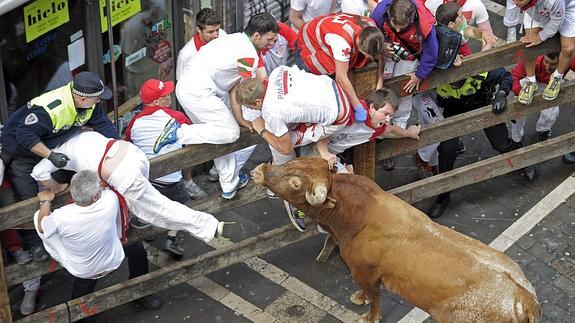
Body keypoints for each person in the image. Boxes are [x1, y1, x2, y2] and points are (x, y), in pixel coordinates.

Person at [30, 131, 229, 244]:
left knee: (160, 208)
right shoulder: (82, 135)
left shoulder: (56, 152)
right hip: (133, 155)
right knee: (149, 208)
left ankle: (208, 226)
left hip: (121, 173)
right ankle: (152, 219)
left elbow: (39, 172)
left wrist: (55, 187)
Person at [174, 13, 278, 199]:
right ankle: (178, 134)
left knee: (220, 135)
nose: (272, 44)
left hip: (192, 89)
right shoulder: (248, 54)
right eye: (269, 40)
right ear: (256, 36)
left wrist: (240, 119)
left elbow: (234, 89)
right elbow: (246, 91)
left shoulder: (235, 39)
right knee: (230, 133)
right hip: (198, 92)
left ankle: (229, 185)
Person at [34, 170, 163, 312]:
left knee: (39, 219)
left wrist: (45, 202)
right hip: (113, 258)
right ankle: (79, 313)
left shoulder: (61, 216)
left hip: (82, 268)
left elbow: (42, 226)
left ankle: (141, 292)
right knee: (133, 252)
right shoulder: (110, 199)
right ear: (95, 196)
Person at [425, 68, 537, 219]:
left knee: (501, 143)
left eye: (458, 81)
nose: (455, 84)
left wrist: (501, 94)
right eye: (451, 82)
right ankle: (443, 196)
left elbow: (505, 76)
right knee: (446, 152)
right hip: (453, 111)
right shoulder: (436, 79)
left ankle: (523, 161)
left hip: (481, 104)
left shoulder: (479, 74)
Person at [412, 2, 498, 177]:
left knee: (433, 125)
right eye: (460, 16)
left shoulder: (451, 29)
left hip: (436, 92)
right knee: (438, 125)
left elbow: (471, 31)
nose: (463, 17)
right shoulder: (438, 41)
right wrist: (450, 61)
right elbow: (435, 63)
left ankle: (432, 164)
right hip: (422, 93)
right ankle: (421, 158)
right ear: (451, 24)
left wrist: (483, 34)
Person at [125, 79, 202, 259]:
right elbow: (193, 133)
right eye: (165, 95)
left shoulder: (134, 122)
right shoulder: (175, 116)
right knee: (181, 204)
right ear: (156, 102)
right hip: (171, 181)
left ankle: (148, 229)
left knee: (149, 207)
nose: (169, 97)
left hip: (146, 180)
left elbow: (129, 143)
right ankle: (171, 238)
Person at [371, 0, 438, 170]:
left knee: (403, 96)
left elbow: (431, 52)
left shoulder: (424, 23)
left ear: (412, 17)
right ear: (389, 16)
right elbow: (372, 32)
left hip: (409, 57)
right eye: (395, 24)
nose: (398, 30)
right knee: (380, 91)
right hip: (387, 53)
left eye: (403, 26)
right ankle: (378, 133)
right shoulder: (380, 12)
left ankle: (391, 144)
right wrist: (383, 45)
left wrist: (419, 75)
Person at [296, 13, 386, 123]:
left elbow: (380, 56)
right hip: (309, 44)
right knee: (320, 96)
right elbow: (341, 77)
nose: (370, 59)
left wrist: (380, 83)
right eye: (368, 55)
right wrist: (357, 106)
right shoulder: (342, 43)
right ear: (360, 44)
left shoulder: (372, 31)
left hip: (328, 29)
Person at [515, 0, 573, 104]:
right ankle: (530, 80)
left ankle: (557, 77)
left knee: (568, 48)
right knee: (528, 43)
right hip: (536, 9)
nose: (515, 2)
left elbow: (557, 21)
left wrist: (541, 36)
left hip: (567, 7)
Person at [511, 53, 575, 144]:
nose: (548, 67)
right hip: (531, 80)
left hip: (552, 84)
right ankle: (516, 138)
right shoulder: (535, 61)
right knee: (516, 112)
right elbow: (514, 76)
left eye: (553, 64)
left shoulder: (568, 60)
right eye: (546, 62)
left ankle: (543, 130)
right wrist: (520, 92)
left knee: (551, 113)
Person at [176, 8, 227, 81]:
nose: (216, 35)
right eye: (210, 32)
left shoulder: (222, 35)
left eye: (217, 30)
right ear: (199, 30)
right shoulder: (186, 55)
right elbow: (181, 84)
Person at [425, 0, 494, 52]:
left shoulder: (475, 5)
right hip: (439, 49)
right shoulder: (430, 5)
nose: (464, 19)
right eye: (461, 17)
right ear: (451, 24)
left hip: (460, 46)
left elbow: (468, 30)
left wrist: (482, 33)